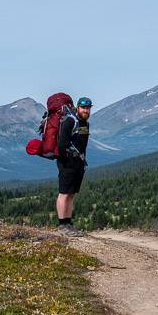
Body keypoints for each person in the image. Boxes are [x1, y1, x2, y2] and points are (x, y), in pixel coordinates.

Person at [56, 96, 91, 236]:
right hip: (67, 163)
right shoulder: (70, 121)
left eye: (88, 108)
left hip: (79, 163)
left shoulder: (85, 124)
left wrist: (81, 161)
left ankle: (68, 223)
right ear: (78, 107)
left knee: (71, 194)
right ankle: (62, 225)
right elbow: (62, 145)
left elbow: (82, 144)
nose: (86, 110)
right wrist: (66, 161)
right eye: (83, 108)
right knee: (64, 193)